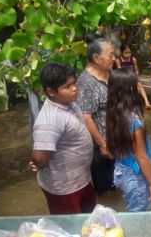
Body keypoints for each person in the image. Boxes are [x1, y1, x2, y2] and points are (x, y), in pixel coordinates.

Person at [30, 62, 96, 214]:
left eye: (74, 83)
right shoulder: (49, 120)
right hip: (64, 187)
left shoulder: (69, 104)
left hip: (81, 179)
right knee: (69, 227)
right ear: (51, 92)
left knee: (89, 221)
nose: (74, 88)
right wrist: (36, 162)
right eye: (67, 86)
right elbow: (39, 158)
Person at [106, 68, 151, 212]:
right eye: (137, 83)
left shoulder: (114, 112)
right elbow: (141, 157)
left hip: (121, 170)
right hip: (134, 177)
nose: (140, 85)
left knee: (133, 208)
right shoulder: (134, 121)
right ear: (129, 88)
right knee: (138, 214)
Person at [77, 36, 116, 196]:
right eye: (110, 55)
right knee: (105, 188)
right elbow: (86, 117)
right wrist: (102, 144)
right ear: (96, 58)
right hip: (99, 146)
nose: (114, 58)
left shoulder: (109, 73)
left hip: (115, 139)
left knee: (118, 182)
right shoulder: (86, 82)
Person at [115, 43, 151, 109]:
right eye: (126, 53)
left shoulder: (133, 59)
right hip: (123, 78)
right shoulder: (118, 60)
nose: (128, 55)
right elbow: (120, 72)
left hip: (132, 78)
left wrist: (136, 77)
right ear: (121, 52)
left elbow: (136, 70)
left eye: (129, 53)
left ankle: (146, 102)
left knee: (139, 85)